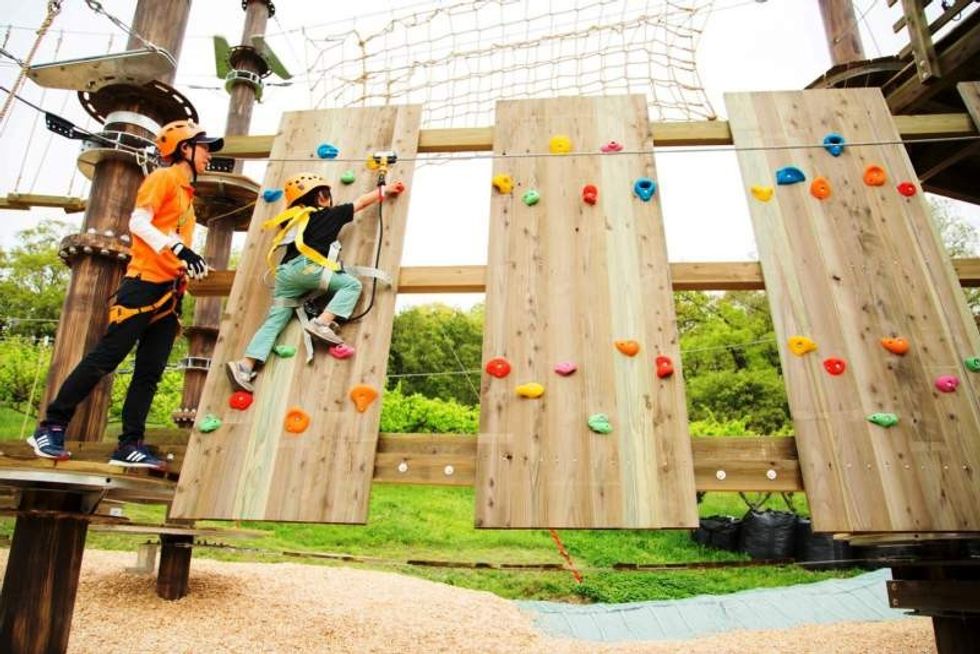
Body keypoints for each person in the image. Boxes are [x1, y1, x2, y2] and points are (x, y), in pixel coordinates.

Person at [27, 120, 223, 469]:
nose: (209, 154)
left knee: (150, 372)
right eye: (205, 146)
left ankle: (129, 444)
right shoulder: (163, 178)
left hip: (168, 293)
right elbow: (138, 223)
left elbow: (169, 237)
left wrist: (188, 261)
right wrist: (179, 248)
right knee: (107, 357)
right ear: (185, 149)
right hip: (143, 285)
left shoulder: (186, 196)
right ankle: (51, 426)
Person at [225, 172, 403, 393]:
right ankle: (322, 323)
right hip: (308, 268)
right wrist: (384, 190)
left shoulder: (293, 221)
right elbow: (360, 202)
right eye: (328, 195)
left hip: (285, 274)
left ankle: (245, 365)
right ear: (321, 196)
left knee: (275, 320)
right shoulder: (329, 214)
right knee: (352, 285)